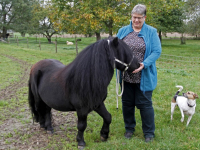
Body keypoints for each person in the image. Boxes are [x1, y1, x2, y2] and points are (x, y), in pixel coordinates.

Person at [116, 4, 161, 142]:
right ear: (131, 16)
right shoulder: (123, 31)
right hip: (126, 76)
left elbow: (156, 51)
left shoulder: (151, 32)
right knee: (127, 103)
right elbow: (115, 49)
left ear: (144, 17)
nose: (136, 20)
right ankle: (129, 129)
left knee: (145, 105)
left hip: (143, 76)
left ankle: (149, 133)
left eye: (139, 18)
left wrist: (144, 64)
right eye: (134, 17)